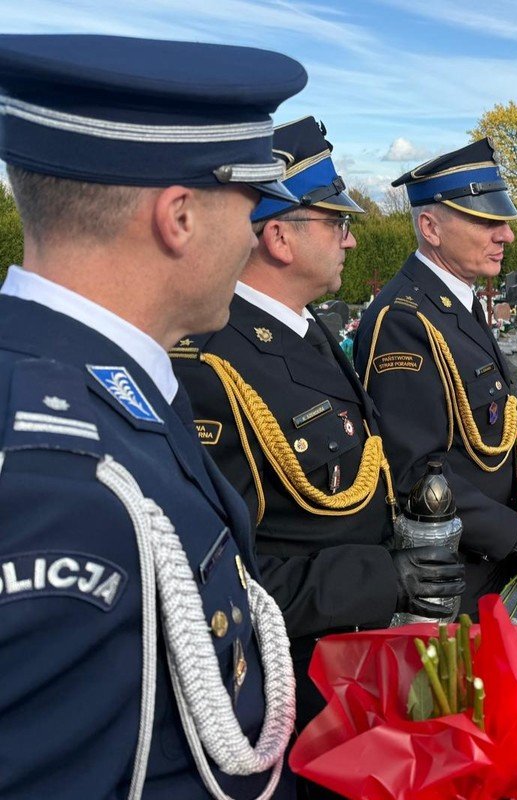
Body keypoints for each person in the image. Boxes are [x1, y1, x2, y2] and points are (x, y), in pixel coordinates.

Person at [0, 33, 306, 798]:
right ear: (179, 218)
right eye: (252, 204)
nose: (255, 236)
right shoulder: (56, 480)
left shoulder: (101, 381)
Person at [169, 117, 466, 774]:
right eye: (337, 223)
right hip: (297, 691)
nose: (353, 238)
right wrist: (381, 578)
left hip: (354, 659)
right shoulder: (212, 365)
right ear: (278, 235)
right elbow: (214, 583)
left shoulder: (304, 332)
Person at [355, 140, 517, 617]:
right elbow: (414, 470)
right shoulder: (403, 320)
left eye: (503, 220)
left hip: (480, 558)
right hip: (446, 572)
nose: (506, 235)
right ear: (430, 227)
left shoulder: (455, 300)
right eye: (485, 221)